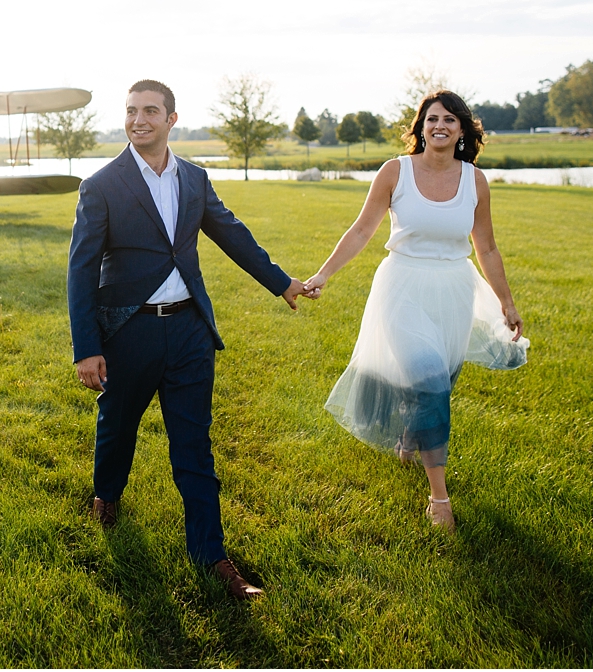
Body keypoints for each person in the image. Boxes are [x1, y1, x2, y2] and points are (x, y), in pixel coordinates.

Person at [68, 79, 311, 600]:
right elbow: (81, 270)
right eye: (131, 111)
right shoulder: (102, 185)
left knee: (194, 449)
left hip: (190, 332)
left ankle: (212, 555)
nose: (139, 120)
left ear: (171, 119)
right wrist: (87, 347)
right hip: (128, 331)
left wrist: (282, 283)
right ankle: (106, 497)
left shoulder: (195, 179)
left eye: (150, 111)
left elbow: (232, 233)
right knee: (118, 427)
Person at [304, 89, 528, 531]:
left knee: (441, 379)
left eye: (448, 119)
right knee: (428, 381)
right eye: (431, 119)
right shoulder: (395, 172)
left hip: (455, 291)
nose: (439, 126)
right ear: (420, 127)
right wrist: (322, 275)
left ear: (462, 130)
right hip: (402, 286)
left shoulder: (475, 181)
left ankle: (410, 436)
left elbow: (486, 246)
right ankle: (439, 498)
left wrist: (506, 301)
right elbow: (362, 229)